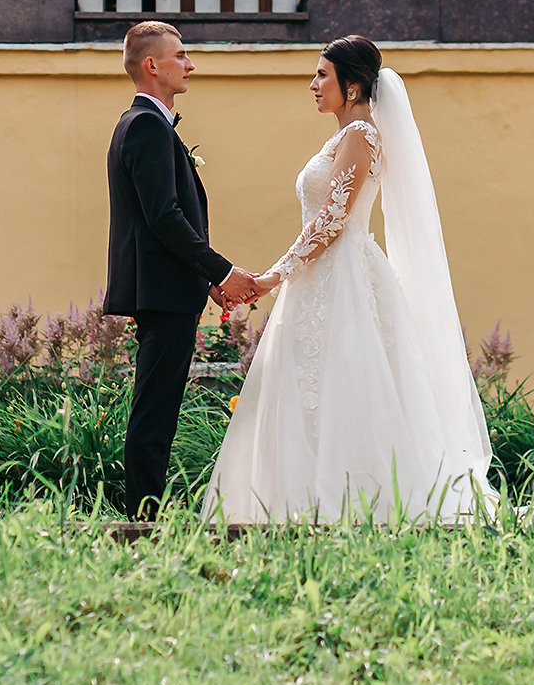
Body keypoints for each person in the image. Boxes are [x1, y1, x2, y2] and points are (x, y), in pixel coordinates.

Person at [203, 35, 496, 523]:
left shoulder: (361, 135)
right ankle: (301, 502)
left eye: (323, 75)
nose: (313, 84)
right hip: (320, 276)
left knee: (347, 383)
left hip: (344, 278)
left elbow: (333, 219)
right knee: (311, 385)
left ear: (353, 86)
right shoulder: (344, 137)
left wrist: (275, 275)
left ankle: (353, 503)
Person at [103, 20, 261, 521]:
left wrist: (206, 279)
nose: (190, 64)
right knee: (155, 408)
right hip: (162, 291)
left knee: (159, 404)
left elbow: (163, 219)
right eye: (181, 55)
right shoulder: (146, 126)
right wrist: (222, 271)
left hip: (167, 287)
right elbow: (164, 216)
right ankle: (143, 519)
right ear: (153, 65)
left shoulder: (143, 125)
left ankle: (146, 514)